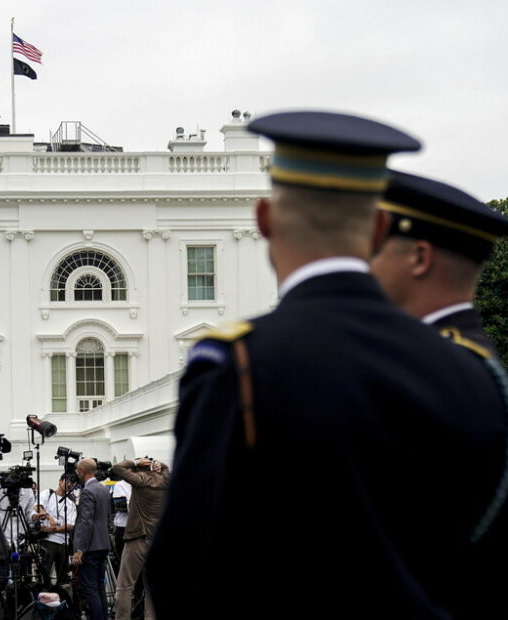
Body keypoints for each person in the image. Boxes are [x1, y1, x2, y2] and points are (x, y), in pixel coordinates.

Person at [147, 111, 508, 618]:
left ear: (265, 219)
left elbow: (185, 567)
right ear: (379, 226)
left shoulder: (240, 360)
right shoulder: (468, 368)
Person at [371, 169, 508, 356]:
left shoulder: (427, 361)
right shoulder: (456, 354)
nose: (368, 266)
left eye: (377, 251)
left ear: (420, 258)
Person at [110, 458, 168, 620]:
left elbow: (118, 468)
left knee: (125, 585)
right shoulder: (165, 481)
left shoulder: (141, 480)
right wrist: (160, 465)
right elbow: (167, 469)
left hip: (138, 537)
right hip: (157, 540)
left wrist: (135, 463)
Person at [71, 458, 110, 620]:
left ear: (82, 471)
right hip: (103, 544)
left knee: (90, 588)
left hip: (91, 547)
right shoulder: (103, 489)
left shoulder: (87, 492)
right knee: (100, 587)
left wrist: (80, 549)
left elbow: (85, 522)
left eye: (77, 471)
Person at [36, 473, 76, 585]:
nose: (69, 485)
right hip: (47, 542)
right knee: (44, 574)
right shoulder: (47, 494)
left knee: (62, 577)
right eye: (67, 481)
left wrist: (54, 529)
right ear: (60, 481)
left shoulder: (71, 504)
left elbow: (71, 525)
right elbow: (37, 507)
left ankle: (60, 599)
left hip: (63, 543)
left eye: (72, 483)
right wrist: (49, 517)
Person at [109, 478, 131, 574]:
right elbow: (121, 507)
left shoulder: (143, 484)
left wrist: (129, 501)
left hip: (140, 527)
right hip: (123, 527)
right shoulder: (120, 485)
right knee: (123, 561)